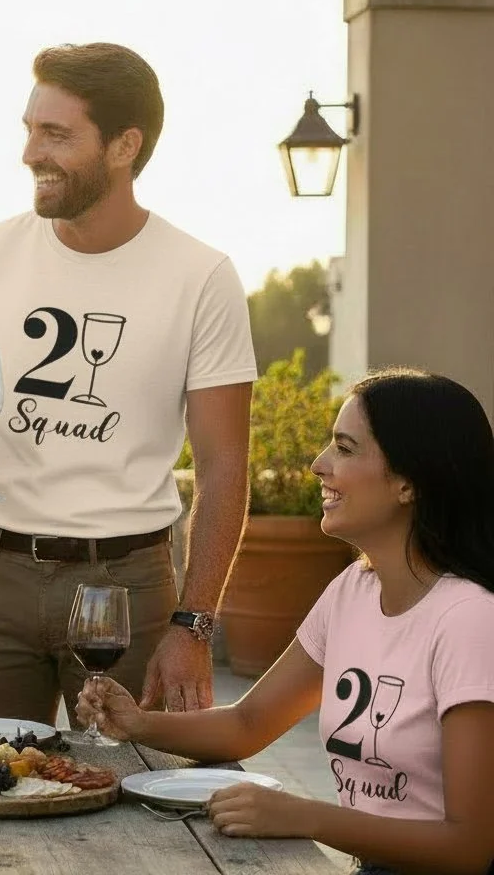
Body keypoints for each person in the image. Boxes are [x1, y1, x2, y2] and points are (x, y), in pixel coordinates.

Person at [0, 42, 257, 724]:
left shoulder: (201, 276)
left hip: (127, 584)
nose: (29, 153)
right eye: (29, 130)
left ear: (124, 145)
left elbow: (224, 469)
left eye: (56, 134)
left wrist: (193, 626)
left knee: (134, 781)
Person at [78, 369, 494, 875]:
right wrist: (139, 724)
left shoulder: (469, 619)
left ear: (408, 483)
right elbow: (248, 723)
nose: (319, 464)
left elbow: (470, 847)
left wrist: (304, 816)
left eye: (344, 448)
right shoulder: (352, 591)